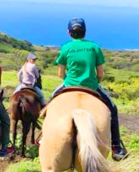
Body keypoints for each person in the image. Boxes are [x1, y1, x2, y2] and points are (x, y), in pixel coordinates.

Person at [52, 18, 127, 161]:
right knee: (113, 109)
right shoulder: (94, 47)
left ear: (69, 32)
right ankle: (116, 146)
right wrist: (95, 82)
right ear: (85, 31)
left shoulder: (65, 47)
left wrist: (69, 80)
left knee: (50, 104)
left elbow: (60, 73)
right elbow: (100, 73)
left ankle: (44, 135)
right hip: (92, 86)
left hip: (69, 85)